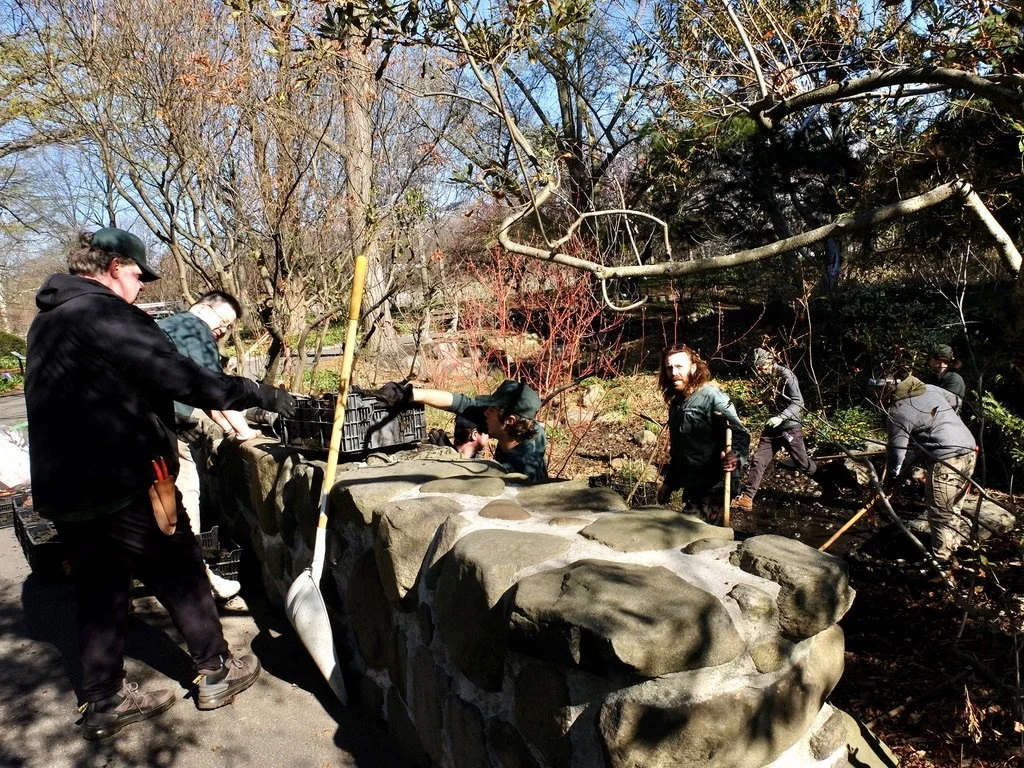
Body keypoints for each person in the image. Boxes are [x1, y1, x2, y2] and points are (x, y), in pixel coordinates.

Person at [25, 228, 295, 740]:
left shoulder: (48, 321)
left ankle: (104, 698)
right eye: (137, 273)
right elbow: (182, 377)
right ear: (111, 266)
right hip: (125, 479)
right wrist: (259, 393)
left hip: (67, 489)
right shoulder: (105, 314)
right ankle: (216, 669)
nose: (143, 285)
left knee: (100, 590)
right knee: (180, 570)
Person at [158, 291, 262, 600]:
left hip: (141, 426)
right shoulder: (194, 328)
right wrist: (245, 431)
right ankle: (197, 578)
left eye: (229, 327)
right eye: (223, 322)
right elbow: (216, 392)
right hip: (164, 431)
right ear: (203, 308)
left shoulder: (168, 326)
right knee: (185, 495)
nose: (224, 331)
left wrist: (232, 427)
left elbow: (204, 397)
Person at [879, 375, 976, 567]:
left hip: (947, 459)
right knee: (954, 506)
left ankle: (942, 564)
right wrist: (946, 422)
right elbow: (956, 400)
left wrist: (892, 476)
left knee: (939, 514)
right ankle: (952, 547)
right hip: (969, 449)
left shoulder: (898, 411)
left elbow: (896, 452)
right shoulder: (930, 388)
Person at [377, 379, 548, 482]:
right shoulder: (530, 430)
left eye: (491, 409)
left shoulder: (517, 471)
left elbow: (476, 486)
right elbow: (462, 403)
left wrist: (453, 456)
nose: (485, 412)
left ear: (509, 421)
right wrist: (410, 394)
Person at [656, 344, 749, 522]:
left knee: (685, 531)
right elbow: (679, 451)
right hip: (693, 485)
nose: (674, 372)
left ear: (693, 367)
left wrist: (734, 455)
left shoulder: (712, 396)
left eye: (679, 367)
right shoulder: (677, 404)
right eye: (669, 367)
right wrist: (669, 483)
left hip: (716, 485)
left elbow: (739, 432)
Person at [733, 349, 825, 511]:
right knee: (759, 460)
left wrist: (781, 417)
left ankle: (829, 484)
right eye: (757, 368)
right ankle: (747, 498)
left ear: (770, 361)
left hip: (790, 427)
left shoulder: (786, 376)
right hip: (772, 429)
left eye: (762, 367)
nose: (760, 371)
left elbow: (798, 402)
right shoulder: (765, 378)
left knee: (802, 463)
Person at [926, 344, 966, 411]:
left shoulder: (954, 380)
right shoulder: (934, 378)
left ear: (939, 360)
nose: (929, 360)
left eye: (931, 358)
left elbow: (946, 404)